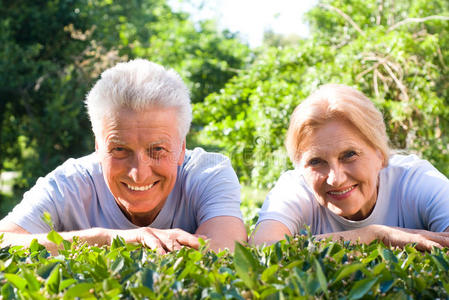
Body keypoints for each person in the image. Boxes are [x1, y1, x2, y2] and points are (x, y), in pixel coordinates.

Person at [0, 59, 246, 254]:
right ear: (98, 147)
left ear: (182, 148)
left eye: (158, 150)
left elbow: (225, 249)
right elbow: (4, 242)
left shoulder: (209, 172)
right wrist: (106, 239)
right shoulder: (68, 184)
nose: (139, 173)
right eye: (120, 150)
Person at [252, 84, 449, 251]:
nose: (335, 179)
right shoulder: (295, 189)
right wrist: (374, 236)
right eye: (316, 162)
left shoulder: (414, 180)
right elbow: (263, 249)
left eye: (349, 155)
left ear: (380, 154)